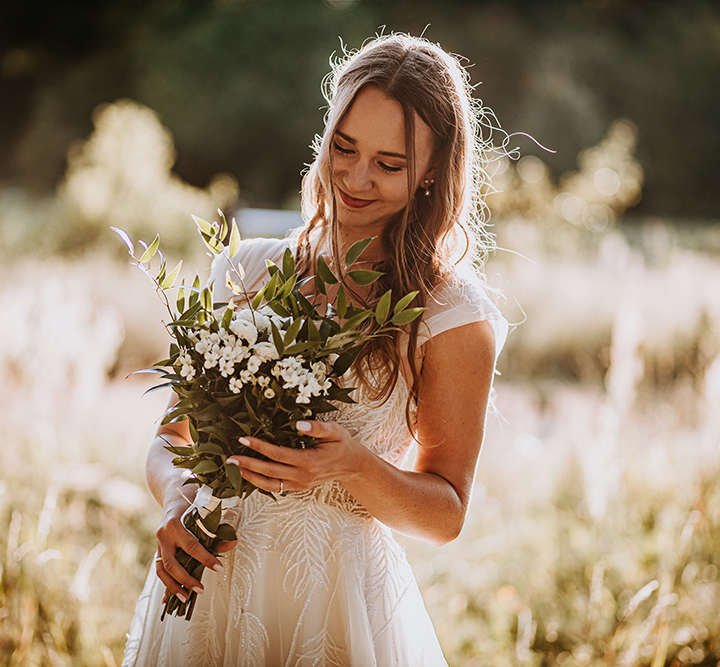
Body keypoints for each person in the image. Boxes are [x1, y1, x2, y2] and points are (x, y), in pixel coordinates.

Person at [123, 32, 508, 666]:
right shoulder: (246, 270)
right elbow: (173, 436)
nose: (357, 178)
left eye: (390, 164)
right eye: (344, 147)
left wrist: (354, 467)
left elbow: (446, 514)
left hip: (337, 603)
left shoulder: (451, 315)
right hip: (211, 585)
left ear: (435, 171)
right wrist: (173, 500)